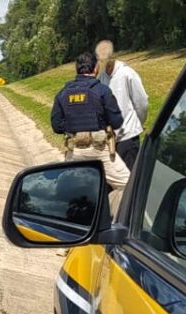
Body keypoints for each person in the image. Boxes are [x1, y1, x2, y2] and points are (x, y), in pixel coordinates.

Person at [51, 51, 130, 214]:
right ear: (96, 68)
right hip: (100, 150)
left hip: (75, 153)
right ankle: (111, 218)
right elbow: (116, 122)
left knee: (66, 192)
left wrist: (74, 126)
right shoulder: (102, 91)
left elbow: (57, 126)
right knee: (128, 185)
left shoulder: (62, 94)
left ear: (76, 69)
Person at [95, 40, 149, 171]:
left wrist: (137, 123)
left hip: (128, 137)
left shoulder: (127, 74)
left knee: (130, 178)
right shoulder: (101, 78)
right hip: (110, 140)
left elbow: (142, 102)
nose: (101, 62)